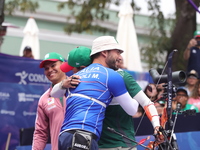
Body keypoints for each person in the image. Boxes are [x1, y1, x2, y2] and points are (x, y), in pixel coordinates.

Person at [52, 37, 163, 150]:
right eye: (117, 52)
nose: (120, 57)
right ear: (104, 53)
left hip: (107, 142)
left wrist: (157, 126)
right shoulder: (111, 76)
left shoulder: (77, 77)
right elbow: (133, 109)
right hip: (91, 140)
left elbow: (146, 102)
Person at [32, 52, 79, 150]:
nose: (50, 70)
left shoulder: (79, 87)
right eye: (46, 68)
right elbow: (40, 133)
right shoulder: (44, 99)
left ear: (63, 65)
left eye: (53, 65)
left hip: (82, 146)